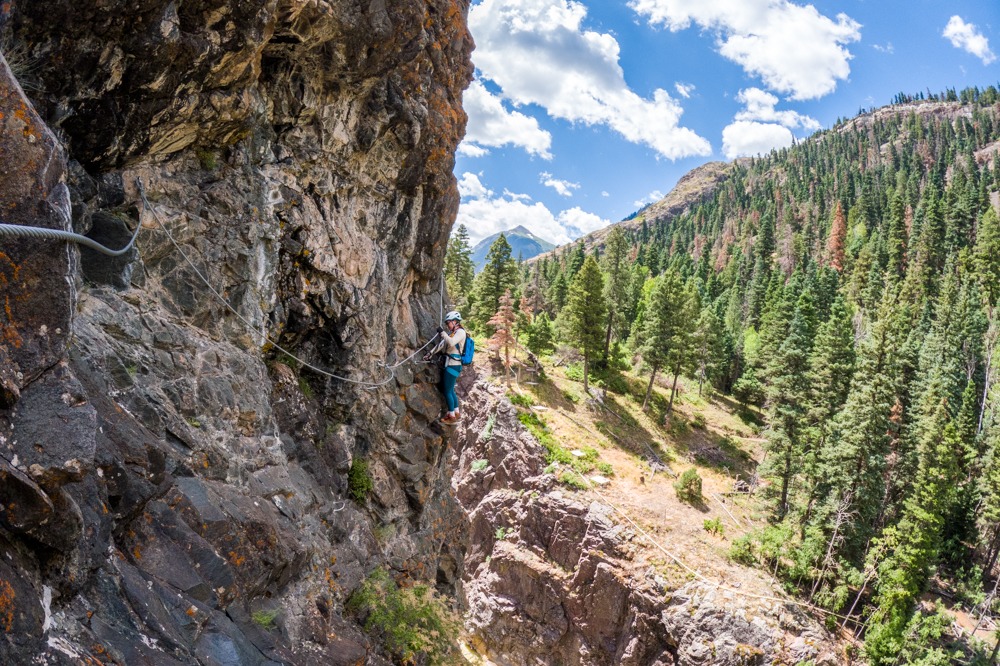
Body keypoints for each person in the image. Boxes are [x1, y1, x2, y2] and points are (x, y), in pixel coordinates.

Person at [424, 310, 467, 424]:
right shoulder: (453, 333)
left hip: (453, 365)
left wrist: (442, 332)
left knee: (447, 390)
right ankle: (456, 412)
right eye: (447, 323)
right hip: (452, 364)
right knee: (451, 390)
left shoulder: (461, 332)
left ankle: (451, 416)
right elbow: (442, 344)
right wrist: (430, 353)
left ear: (455, 321)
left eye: (449, 323)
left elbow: (451, 342)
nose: (448, 325)